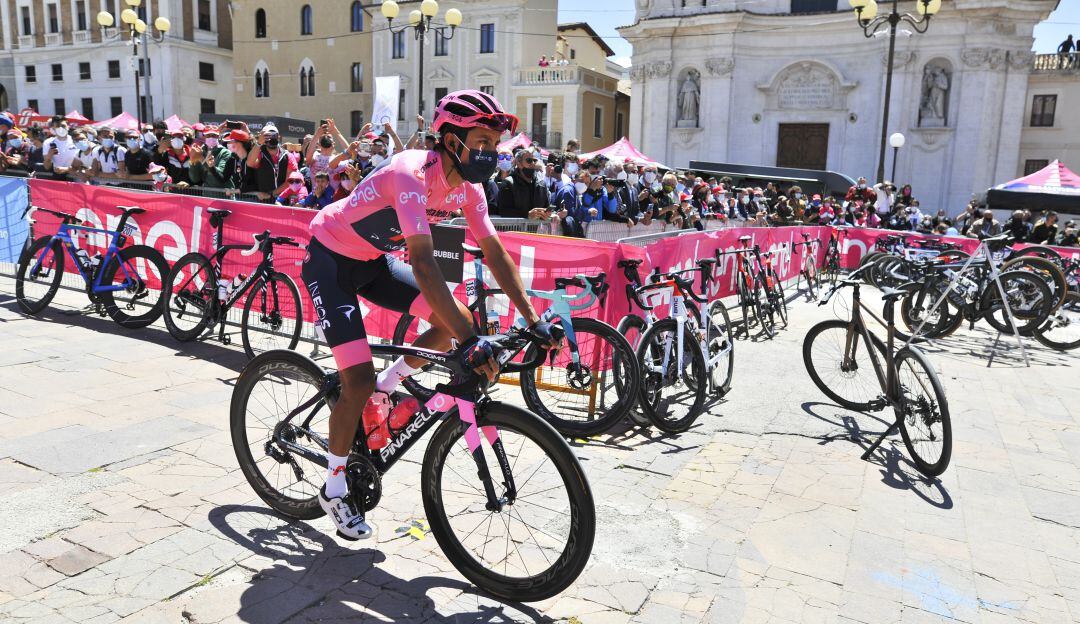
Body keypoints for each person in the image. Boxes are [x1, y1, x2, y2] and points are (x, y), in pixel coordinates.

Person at [300, 89, 562, 539]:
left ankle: (388, 386)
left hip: (375, 262)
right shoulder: (410, 173)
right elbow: (424, 264)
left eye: (494, 144)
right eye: (481, 141)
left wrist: (534, 320)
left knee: (454, 321)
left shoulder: (471, 188)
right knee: (356, 380)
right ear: (450, 138)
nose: (489, 152)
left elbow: (496, 253)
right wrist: (470, 342)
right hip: (332, 260)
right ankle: (335, 485)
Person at [495, 147, 549, 218]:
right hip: (516, 228)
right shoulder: (508, 183)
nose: (532, 163)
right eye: (529, 160)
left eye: (534, 160)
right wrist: (527, 214)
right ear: (519, 163)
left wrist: (552, 214)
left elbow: (547, 207)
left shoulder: (542, 184)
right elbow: (503, 210)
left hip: (537, 228)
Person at [248, 123, 294, 202]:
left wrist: (271, 194)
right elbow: (250, 163)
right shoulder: (260, 153)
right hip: (263, 201)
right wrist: (259, 143)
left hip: (282, 201)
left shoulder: (288, 155)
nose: (271, 138)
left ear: (278, 136)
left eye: (273, 135)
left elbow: (290, 181)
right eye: (267, 136)